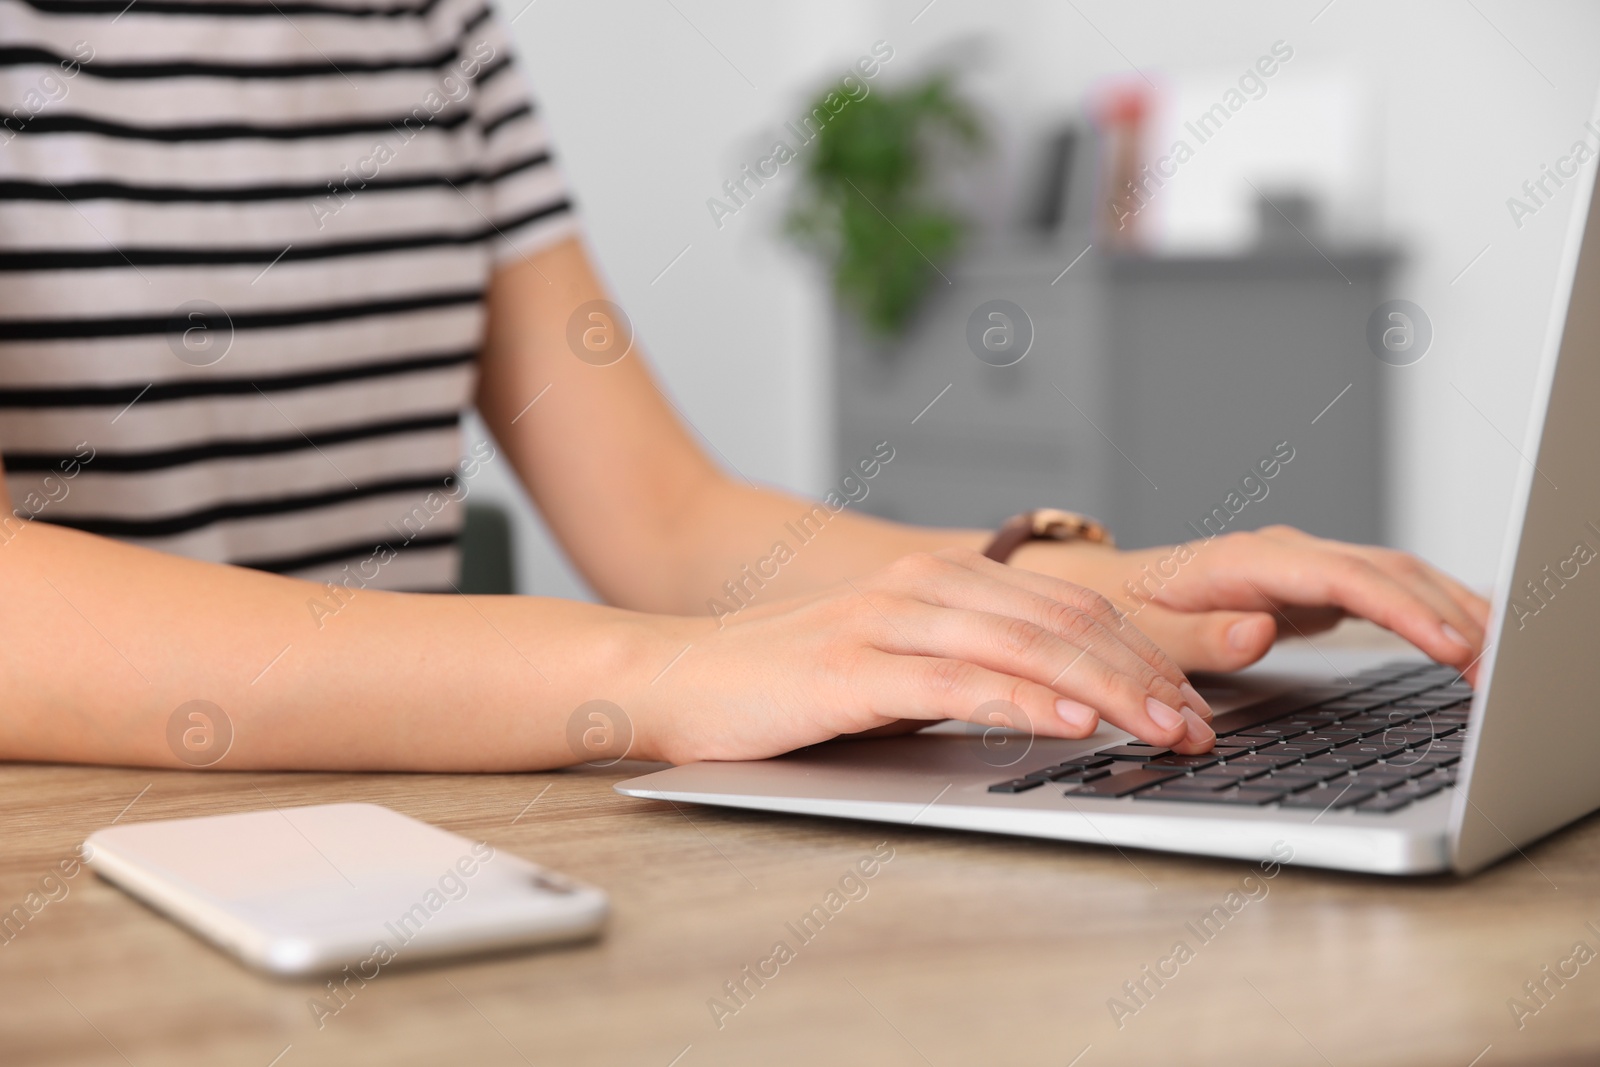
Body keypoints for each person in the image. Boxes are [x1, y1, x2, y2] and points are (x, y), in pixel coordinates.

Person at [0, 0, 1487, 772]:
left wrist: (1092, 596)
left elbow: (663, 517)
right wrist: (651, 676)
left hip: (392, 843)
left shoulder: (423, 26)